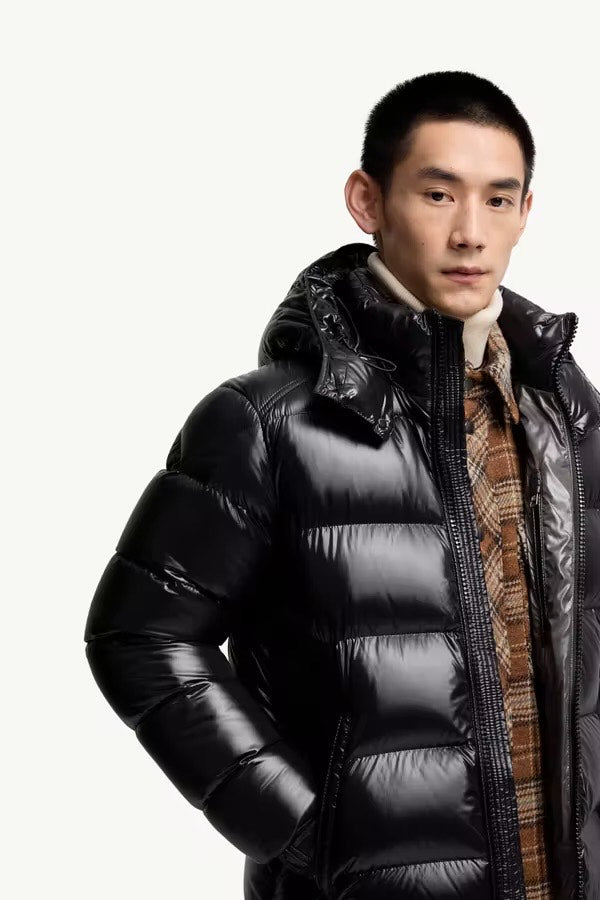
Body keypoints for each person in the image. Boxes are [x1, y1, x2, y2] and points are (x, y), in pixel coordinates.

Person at [83, 70, 600, 900]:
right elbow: (140, 635)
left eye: (498, 200)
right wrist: (303, 827)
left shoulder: (562, 408)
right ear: (368, 201)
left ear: (525, 213)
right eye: (438, 194)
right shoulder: (267, 422)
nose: (471, 233)